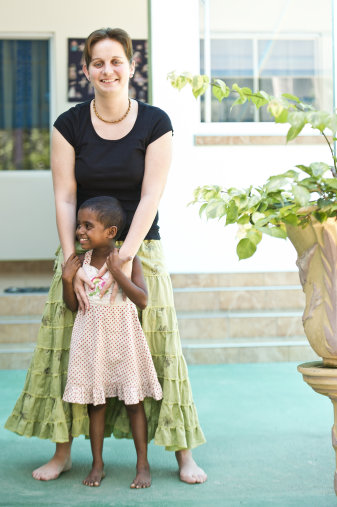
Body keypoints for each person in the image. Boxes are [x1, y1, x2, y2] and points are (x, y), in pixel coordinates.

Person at [5, 27, 207, 484]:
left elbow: (152, 193)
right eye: (98, 62)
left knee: (160, 349)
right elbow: (63, 196)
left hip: (141, 249)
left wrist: (123, 261)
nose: (107, 70)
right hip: (83, 251)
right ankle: (63, 452)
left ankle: (182, 454)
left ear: (132, 67)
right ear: (86, 70)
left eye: (116, 61)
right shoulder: (69, 124)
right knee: (67, 350)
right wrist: (71, 263)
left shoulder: (156, 123)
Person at [62, 196, 162, 488]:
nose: (80, 230)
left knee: (134, 403)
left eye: (87, 225)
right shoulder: (81, 262)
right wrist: (69, 280)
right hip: (92, 342)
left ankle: (143, 465)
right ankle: (97, 465)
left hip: (124, 339)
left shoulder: (128, 260)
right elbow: (72, 306)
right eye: (79, 224)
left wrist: (118, 272)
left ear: (111, 232)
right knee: (97, 403)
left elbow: (143, 300)